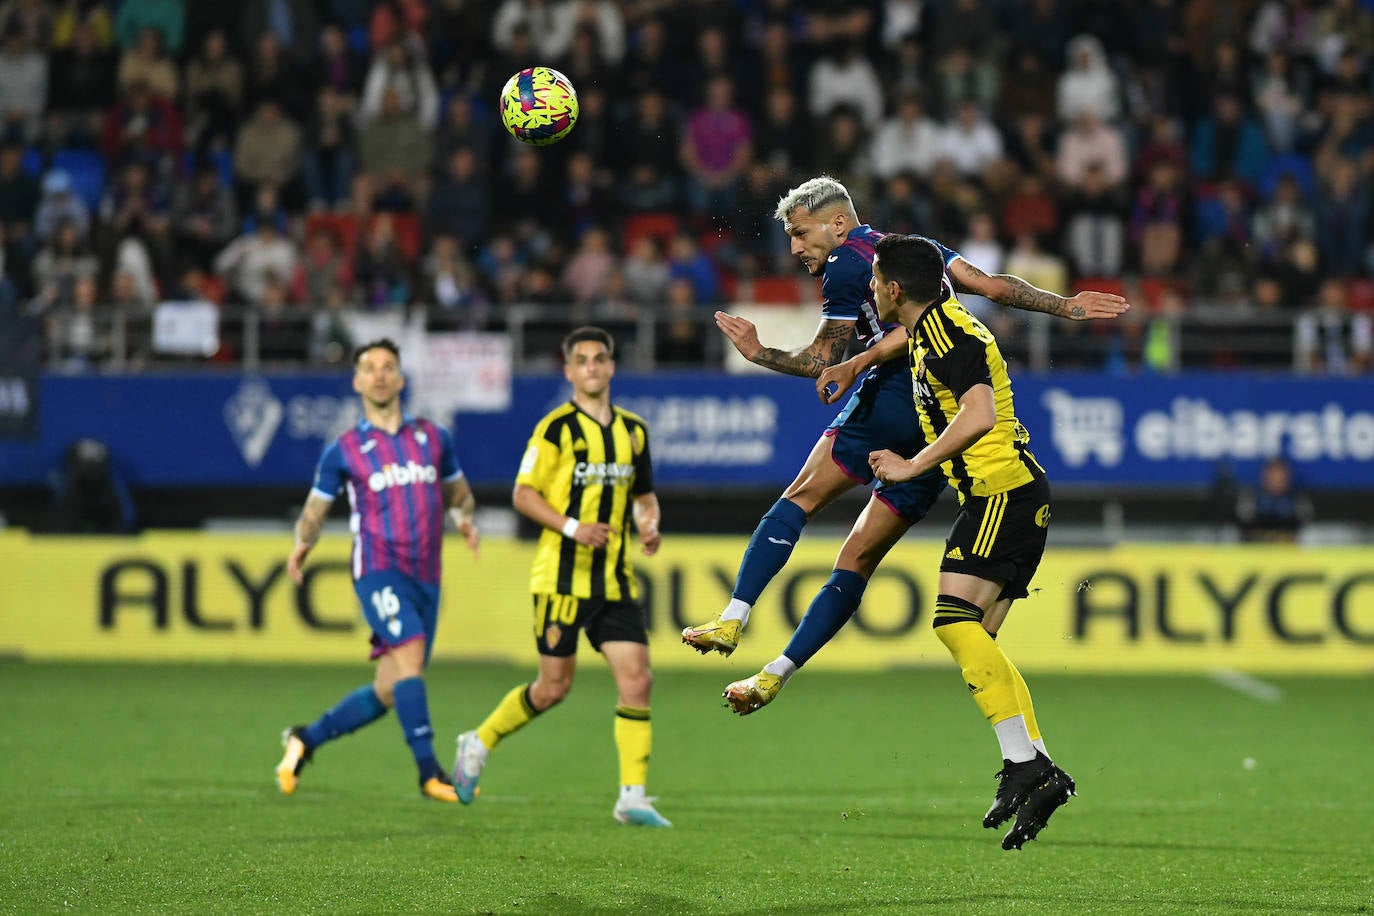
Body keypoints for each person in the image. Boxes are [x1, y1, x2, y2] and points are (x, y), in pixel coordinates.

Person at [682, 176, 1127, 693]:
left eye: (801, 233)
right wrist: (1065, 305)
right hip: (939, 418)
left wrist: (762, 354)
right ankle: (773, 675)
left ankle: (733, 618)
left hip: (895, 395)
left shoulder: (848, 263)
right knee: (858, 559)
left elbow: (823, 360)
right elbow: (992, 286)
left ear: (839, 222)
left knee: (800, 498)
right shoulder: (918, 253)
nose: (795, 248)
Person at [865, 233, 1075, 851]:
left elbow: (979, 413)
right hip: (1011, 494)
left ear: (895, 290)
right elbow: (918, 338)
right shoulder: (936, 324)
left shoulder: (950, 335)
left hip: (999, 493)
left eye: (876, 280)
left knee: (953, 624)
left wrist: (911, 464)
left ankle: (1026, 763)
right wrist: (855, 362)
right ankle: (1037, 768)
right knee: (975, 639)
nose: (872, 288)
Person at [452, 326, 669, 827]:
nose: (592, 367)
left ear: (611, 367)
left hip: (614, 579)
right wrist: (573, 526)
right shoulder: (554, 429)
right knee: (553, 688)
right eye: (582, 360)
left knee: (637, 679)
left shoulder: (634, 431)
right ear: (569, 371)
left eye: (600, 359)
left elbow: (643, 495)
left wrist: (649, 526)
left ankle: (631, 795)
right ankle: (478, 741)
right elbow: (523, 494)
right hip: (561, 578)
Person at [274, 338, 480, 803]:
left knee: (390, 687)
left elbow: (459, 492)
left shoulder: (434, 437)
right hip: (379, 570)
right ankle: (429, 773)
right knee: (409, 657)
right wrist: (301, 545)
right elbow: (315, 509)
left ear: (401, 378)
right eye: (370, 367)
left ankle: (305, 739)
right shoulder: (344, 450)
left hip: (427, 575)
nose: (380, 374)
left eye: (389, 366)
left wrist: (465, 519)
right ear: (358, 382)